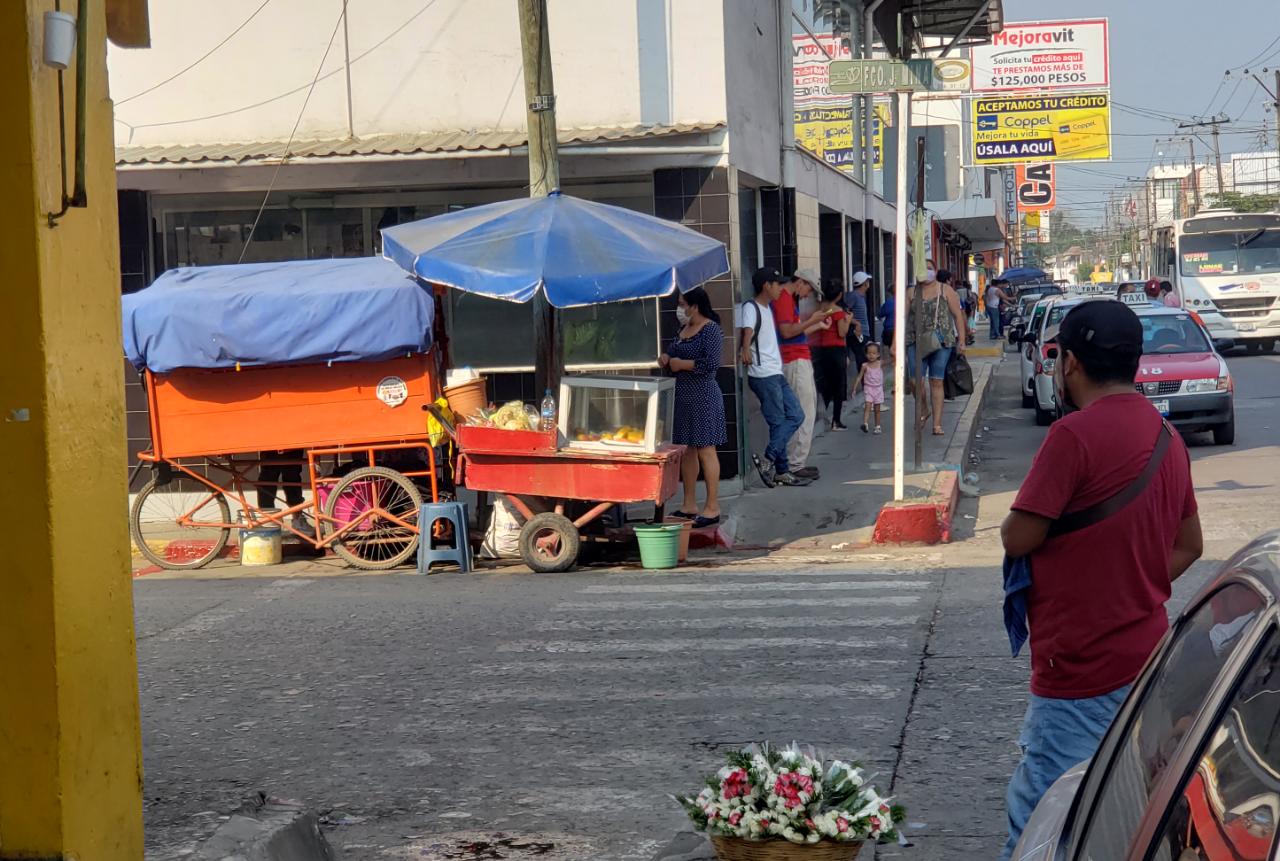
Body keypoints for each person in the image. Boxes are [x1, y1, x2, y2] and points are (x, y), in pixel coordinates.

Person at [998, 300, 1203, 860]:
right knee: (1119, 818)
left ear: (1069, 363)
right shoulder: (1165, 435)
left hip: (1077, 669)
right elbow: (1190, 545)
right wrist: (1129, 583)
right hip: (1144, 662)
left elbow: (1019, 538)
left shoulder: (1073, 437)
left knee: (1042, 826)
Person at [737, 268, 812, 488]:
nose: (780, 288)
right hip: (763, 374)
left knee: (796, 415)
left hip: (774, 372)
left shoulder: (767, 307)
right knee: (779, 421)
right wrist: (745, 349)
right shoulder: (751, 307)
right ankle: (780, 469)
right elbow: (747, 332)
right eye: (776, 284)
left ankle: (772, 462)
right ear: (766, 286)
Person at [660, 287, 726, 528]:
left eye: (682, 304)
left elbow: (710, 364)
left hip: (704, 395)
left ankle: (712, 506)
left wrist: (681, 364)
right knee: (687, 450)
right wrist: (667, 359)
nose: (680, 309)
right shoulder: (683, 330)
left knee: (706, 449)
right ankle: (689, 504)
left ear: (695, 306)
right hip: (683, 397)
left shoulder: (711, 330)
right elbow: (672, 353)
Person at [772, 269, 832, 481]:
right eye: (808, 288)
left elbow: (792, 334)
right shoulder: (785, 299)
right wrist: (812, 320)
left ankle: (794, 462)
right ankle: (795, 463)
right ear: (801, 282)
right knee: (803, 411)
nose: (807, 294)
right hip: (794, 361)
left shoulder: (785, 299)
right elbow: (788, 332)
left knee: (802, 410)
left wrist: (816, 324)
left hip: (794, 358)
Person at [906, 265, 968, 436]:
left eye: (930, 268)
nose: (926, 271)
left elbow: (957, 316)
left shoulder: (946, 290)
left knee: (936, 381)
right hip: (915, 341)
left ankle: (937, 424)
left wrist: (961, 341)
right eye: (923, 267)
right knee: (914, 380)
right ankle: (925, 409)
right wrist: (896, 342)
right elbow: (902, 317)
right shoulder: (911, 292)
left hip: (942, 342)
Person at [809, 279, 852, 431]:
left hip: (822, 349)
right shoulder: (838, 311)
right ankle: (836, 420)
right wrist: (848, 321)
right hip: (837, 350)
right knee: (839, 385)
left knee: (826, 381)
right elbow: (842, 333)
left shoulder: (821, 309)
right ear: (839, 295)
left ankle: (825, 408)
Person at [257, 449, 311, 534]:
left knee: (291, 477)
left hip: (292, 444)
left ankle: (297, 519)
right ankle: (267, 519)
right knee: (268, 478)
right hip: (270, 444)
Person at [852, 341, 885, 434]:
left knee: (877, 409)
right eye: (869, 353)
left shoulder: (880, 363)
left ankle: (877, 426)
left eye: (874, 353)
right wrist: (854, 388)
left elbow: (891, 360)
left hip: (878, 389)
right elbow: (859, 377)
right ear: (866, 354)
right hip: (868, 389)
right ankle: (865, 424)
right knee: (867, 406)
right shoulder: (865, 366)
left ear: (878, 354)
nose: (871, 355)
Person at [846, 270, 873, 372]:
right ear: (864, 283)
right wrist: (856, 323)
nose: (868, 283)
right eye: (867, 281)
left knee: (865, 360)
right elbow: (845, 312)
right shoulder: (854, 296)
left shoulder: (861, 296)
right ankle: (865, 385)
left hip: (864, 333)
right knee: (862, 361)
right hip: (858, 334)